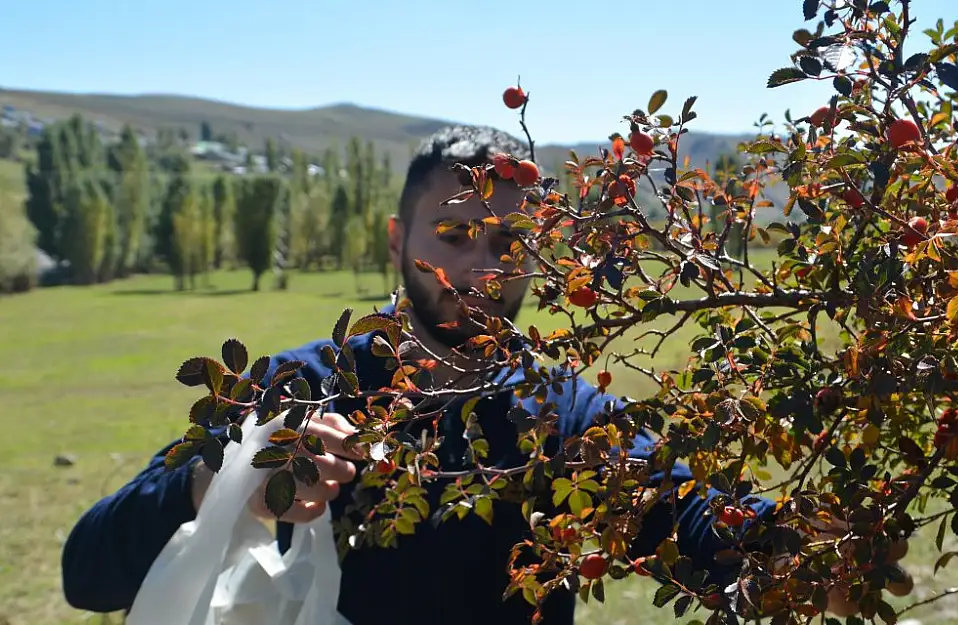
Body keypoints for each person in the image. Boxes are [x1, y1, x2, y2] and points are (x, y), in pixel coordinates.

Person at [61, 124, 910, 625]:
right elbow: (86, 569)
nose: (479, 271)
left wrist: (793, 547)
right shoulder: (295, 392)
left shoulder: (559, 408)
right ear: (397, 239)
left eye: (507, 244)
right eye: (454, 235)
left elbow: (678, 509)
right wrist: (228, 473)